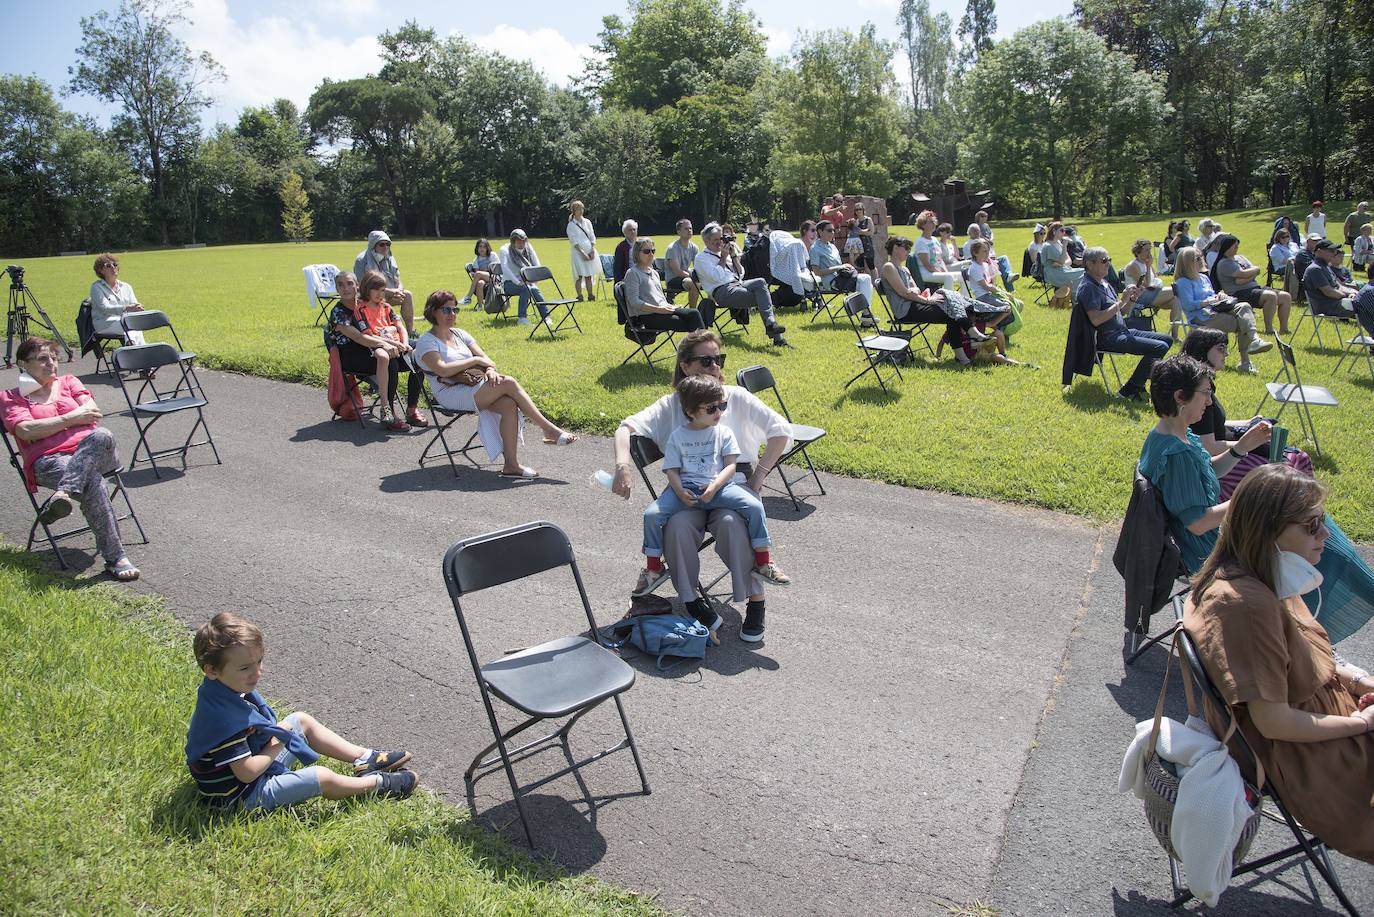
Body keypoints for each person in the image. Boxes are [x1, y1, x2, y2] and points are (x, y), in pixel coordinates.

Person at [1182, 465, 1374, 865]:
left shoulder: (1259, 577)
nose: (1326, 535)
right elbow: (1273, 722)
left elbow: (1316, 658)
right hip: (1319, 762)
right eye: (1311, 526)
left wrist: (1359, 681)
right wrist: (1364, 724)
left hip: (1328, 731)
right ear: (1268, 530)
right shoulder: (1249, 605)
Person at [610, 330, 792, 643]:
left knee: (734, 524)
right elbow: (625, 428)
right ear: (684, 365)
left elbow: (782, 430)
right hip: (686, 491)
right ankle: (692, 600)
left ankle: (757, 600)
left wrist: (759, 476)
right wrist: (622, 466)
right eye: (706, 360)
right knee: (678, 526)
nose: (714, 366)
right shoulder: (671, 405)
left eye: (718, 359)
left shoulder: (734, 398)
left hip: (731, 484)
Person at [186, 612, 417, 813]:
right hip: (243, 796)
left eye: (259, 661)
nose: (257, 672)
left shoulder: (225, 692)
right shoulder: (222, 721)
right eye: (246, 668)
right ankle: (378, 784)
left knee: (300, 720)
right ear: (212, 670)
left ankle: (365, 758)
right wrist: (277, 742)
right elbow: (246, 773)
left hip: (253, 776)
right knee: (321, 777)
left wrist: (278, 737)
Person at [1, 337, 141, 581]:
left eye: (54, 358)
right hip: (50, 462)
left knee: (102, 434)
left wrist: (49, 426)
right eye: (43, 359)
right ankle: (116, 557)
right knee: (94, 482)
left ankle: (65, 493)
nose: (51, 363)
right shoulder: (11, 397)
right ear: (23, 363)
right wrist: (72, 418)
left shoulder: (69, 381)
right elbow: (25, 430)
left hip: (97, 452)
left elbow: (93, 413)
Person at [636, 375, 789, 597]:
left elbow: (730, 466)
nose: (719, 412)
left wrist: (715, 486)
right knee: (651, 515)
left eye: (722, 406)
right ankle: (653, 567)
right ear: (690, 411)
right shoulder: (678, 437)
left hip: (721, 488)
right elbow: (672, 470)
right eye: (711, 408)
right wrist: (679, 491)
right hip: (685, 490)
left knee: (755, 506)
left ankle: (764, 562)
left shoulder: (724, 433)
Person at [413, 291, 575, 479]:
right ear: (433, 312)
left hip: (473, 385)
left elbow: (487, 360)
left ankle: (511, 465)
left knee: (508, 404)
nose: (452, 314)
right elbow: (443, 370)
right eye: (446, 310)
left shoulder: (460, 334)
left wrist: (489, 370)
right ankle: (549, 429)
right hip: (449, 393)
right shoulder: (426, 341)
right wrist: (474, 361)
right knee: (508, 382)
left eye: (455, 309)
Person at [1137, 355, 1273, 572]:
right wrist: (1250, 497)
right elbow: (1198, 523)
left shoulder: (1171, 432)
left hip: (1208, 543)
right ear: (1181, 396)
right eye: (1206, 394)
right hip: (1205, 554)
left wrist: (1241, 447)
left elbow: (1208, 470)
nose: (1209, 402)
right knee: (1290, 550)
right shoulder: (1176, 455)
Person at [1180, 327, 1313, 499]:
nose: (1226, 354)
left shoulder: (1201, 386)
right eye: (1221, 348)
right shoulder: (1198, 393)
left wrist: (1247, 423)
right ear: (1202, 349)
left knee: (1297, 458)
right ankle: (1292, 513)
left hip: (1229, 449)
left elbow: (1210, 425)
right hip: (1220, 459)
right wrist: (1248, 442)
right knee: (1287, 469)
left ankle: (1302, 510)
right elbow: (1209, 446)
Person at [327, 271, 424, 431]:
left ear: (357, 285)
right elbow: (360, 338)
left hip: (375, 347)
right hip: (354, 354)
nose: (346, 288)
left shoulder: (371, 304)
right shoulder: (338, 312)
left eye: (349, 283)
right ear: (336, 289)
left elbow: (393, 324)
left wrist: (401, 343)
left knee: (420, 354)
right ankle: (388, 413)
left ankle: (412, 408)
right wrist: (387, 343)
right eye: (340, 285)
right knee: (390, 361)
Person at [1078, 247, 1172, 401]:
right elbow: (1095, 319)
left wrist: (1131, 299)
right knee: (1159, 347)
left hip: (1121, 330)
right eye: (1104, 261)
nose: (1108, 264)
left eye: (1109, 260)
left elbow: (1121, 313)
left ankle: (1139, 383)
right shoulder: (1088, 287)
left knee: (1167, 340)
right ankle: (1129, 390)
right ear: (1089, 264)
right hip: (1107, 337)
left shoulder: (1104, 283)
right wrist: (1121, 301)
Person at [881, 235, 990, 366]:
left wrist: (917, 293)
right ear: (895, 248)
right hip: (905, 310)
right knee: (951, 313)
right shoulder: (889, 267)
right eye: (906, 248)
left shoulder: (904, 269)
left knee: (952, 306)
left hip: (915, 303)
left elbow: (915, 289)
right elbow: (904, 292)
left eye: (910, 249)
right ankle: (969, 342)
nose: (909, 251)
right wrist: (926, 300)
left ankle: (965, 351)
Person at [1174, 247, 1268, 372]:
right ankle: (1246, 360)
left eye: (1201, 256)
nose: (1202, 259)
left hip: (1216, 309)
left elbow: (1212, 294)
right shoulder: (1183, 282)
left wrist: (1219, 296)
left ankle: (1254, 339)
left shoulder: (1203, 278)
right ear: (1188, 262)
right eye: (1198, 258)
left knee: (1244, 306)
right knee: (1242, 321)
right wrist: (1209, 301)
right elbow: (1189, 305)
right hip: (1202, 317)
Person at [694, 222, 790, 346]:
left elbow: (741, 274)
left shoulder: (724, 252)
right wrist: (723, 257)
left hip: (738, 284)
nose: (720, 242)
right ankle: (777, 338)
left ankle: (771, 324)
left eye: (721, 239)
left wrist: (733, 256)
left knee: (760, 282)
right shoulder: (701, 258)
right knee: (762, 297)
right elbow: (716, 277)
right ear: (706, 241)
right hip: (722, 291)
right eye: (716, 240)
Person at [1209, 233, 1292, 337]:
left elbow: (1254, 270)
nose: (1236, 248)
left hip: (1253, 289)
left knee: (1285, 297)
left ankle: (1284, 329)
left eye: (1237, 245)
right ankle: (1269, 329)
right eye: (1234, 246)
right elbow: (1241, 276)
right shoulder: (1224, 263)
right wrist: (1251, 274)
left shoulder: (1240, 258)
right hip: (1238, 293)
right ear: (1227, 247)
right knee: (1270, 296)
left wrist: (1250, 274)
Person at [623, 238, 710, 332]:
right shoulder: (632, 273)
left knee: (694, 313)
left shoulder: (654, 273)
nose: (651, 254)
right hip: (646, 317)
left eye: (653, 251)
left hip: (664, 310)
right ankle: (703, 344)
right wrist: (660, 309)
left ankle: (701, 343)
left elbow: (660, 298)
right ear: (637, 253)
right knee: (693, 321)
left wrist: (670, 306)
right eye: (646, 251)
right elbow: (634, 302)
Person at [353, 231, 415, 335]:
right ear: (373, 245)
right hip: (369, 298)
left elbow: (397, 279)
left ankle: (410, 332)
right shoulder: (361, 260)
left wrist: (399, 290)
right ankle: (377, 332)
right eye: (381, 244)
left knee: (407, 295)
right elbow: (363, 286)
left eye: (388, 244)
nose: (385, 247)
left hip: (389, 294)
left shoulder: (390, 257)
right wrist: (391, 291)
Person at [809, 220, 874, 310]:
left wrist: (846, 266)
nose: (832, 232)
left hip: (842, 278)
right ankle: (866, 314)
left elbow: (840, 266)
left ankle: (865, 315)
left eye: (833, 230)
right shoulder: (815, 249)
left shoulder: (832, 246)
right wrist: (839, 267)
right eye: (829, 230)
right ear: (820, 232)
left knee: (866, 284)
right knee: (865, 279)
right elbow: (817, 272)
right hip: (832, 282)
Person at [88, 253, 146, 345]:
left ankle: (132, 347)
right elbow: (105, 308)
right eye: (108, 265)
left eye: (115, 265)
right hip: (104, 323)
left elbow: (134, 304)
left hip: (125, 321)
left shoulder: (126, 286)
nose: (113, 267)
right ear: (101, 270)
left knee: (134, 326)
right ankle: (136, 351)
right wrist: (126, 308)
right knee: (132, 326)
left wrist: (138, 307)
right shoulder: (96, 287)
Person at [498, 229, 551, 327]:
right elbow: (505, 268)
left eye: (523, 240)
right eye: (518, 240)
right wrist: (518, 282)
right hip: (509, 283)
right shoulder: (504, 250)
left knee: (534, 289)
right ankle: (522, 318)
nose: (522, 243)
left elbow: (537, 264)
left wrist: (535, 279)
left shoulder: (528, 248)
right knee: (525, 289)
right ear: (513, 241)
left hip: (527, 281)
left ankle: (546, 317)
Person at [1303, 240, 1363, 317]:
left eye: (1335, 251)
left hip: (1336, 302)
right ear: (1319, 252)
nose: (1334, 253)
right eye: (1331, 251)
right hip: (1326, 307)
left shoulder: (1326, 267)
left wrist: (1352, 293)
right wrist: (1347, 296)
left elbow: (1339, 286)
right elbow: (1329, 292)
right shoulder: (1315, 269)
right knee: (1366, 304)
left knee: (1366, 301)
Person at [1121, 239, 1177, 321]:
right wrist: (1148, 266)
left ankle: (1174, 332)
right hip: (1139, 296)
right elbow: (1146, 285)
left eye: (1150, 249)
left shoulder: (1146, 263)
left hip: (1151, 292)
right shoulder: (1133, 266)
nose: (1149, 252)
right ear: (1138, 252)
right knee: (1177, 290)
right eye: (1146, 250)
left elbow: (1155, 278)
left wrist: (1149, 266)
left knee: (1176, 301)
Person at [911, 210, 963, 292]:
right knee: (948, 277)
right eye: (930, 222)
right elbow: (927, 265)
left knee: (963, 276)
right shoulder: (921, 242)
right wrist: (942, 272)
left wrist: (945, 270)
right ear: (923, 225)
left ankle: (965, 302)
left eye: (934, 221)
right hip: (925, 273)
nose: (934, 224)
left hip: (936, 271)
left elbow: (940, 260)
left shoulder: (935, 240)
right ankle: (949, 303)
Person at [1040, 222, 1084, 308]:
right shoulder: (1048, 246)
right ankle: (1076, 301)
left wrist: (1060, 263)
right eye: (1062, 230)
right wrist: (1064, 247)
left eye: (1064, 231)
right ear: (1054, 231)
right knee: (1082, 274)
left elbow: (1069, 261)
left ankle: (1076, 299)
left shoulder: (1058, 243)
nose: (1064, 233)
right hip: (1053, 274)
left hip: (1063, 269)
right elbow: (1062, 261)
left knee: (1084, 272)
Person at [964, 224, 1017, 291]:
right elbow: (969, 259)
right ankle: (1006, 283)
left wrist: (991, 256)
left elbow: (990, 251)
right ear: (969, 233)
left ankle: (1009, 275)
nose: (977, 232)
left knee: (1003, 258)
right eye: (974, 231)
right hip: (980, 262)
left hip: (989, 259)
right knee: (994, 264)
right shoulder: (968, 244)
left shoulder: (982, 241)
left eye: (978, 231)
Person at [665, 218, 702, 308]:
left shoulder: (694, 247)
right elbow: (677, 272)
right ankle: (692, 312)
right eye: (686, 229)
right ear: (679, 232)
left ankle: (709, 309)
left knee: (710, 281)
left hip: (686, 277)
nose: (689, 231)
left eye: (690, 228)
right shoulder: (672, 248)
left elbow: (698, 267)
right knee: (694, 284)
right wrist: (694, 277)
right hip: (673, 279)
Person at [566, 200, 598, 302]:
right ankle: (579, 295)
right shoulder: (571, 225)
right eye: (578, 209)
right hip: (578, 252)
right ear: (573, 211)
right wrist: (583, 253)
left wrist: (592, 250)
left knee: (589, 274)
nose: (581, 211)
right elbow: (574, 241)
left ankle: (590, 295)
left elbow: (592, 236)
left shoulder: (587, 222)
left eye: (582, 209)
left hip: (589, 249)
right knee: (579, 275)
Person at [461, 239, 496, 308]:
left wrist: (480, 273)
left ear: (487, 248)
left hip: (495, 277)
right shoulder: (476, 260)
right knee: (480, 283)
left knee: (478, 274)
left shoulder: (492, 255)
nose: (482, 249)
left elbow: (496, 269)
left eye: (484, 247)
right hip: (485, 279)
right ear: (477, 248)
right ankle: (480, 307)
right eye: (480, 246)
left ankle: (468, 297)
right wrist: (474, 274)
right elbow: (477, 274)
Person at [850, 202, 877, 277]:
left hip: (867, 245)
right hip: (859, 246)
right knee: (860, 266)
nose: (858, 211)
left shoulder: (868, 219)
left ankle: (876, 282)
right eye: (856, 210)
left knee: (871, 265)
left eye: (860, 209)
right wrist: (863, 231)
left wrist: (861, 232)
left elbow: (871, 232)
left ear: (863, 210)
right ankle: (864, 282)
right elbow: (853, 233)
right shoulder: (855, 221)